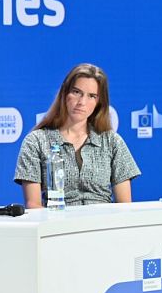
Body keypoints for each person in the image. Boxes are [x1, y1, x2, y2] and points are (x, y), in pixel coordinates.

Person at [13, 63, 140, 208]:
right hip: (58, 225)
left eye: (92, 96)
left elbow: (125, 205)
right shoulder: (36, 141)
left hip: (103, 225)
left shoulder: (112, 141)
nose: (82, 102)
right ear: (64, 93)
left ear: (99, 103)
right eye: (76, 92)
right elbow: (33, 205)